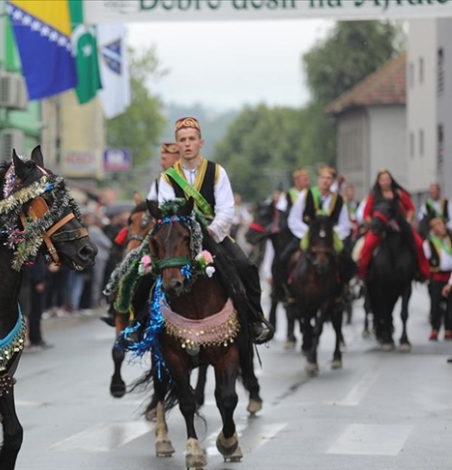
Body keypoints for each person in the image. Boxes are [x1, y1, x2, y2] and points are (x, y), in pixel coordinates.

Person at [146, 117, 273, 344]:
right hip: (179, 239)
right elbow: (167, 212)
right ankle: (142, 323)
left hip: (214, 234)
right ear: (177, 144)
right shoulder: (167, 178)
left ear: (200, 142)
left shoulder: (216, 172)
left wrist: (210, 233)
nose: (187, 144)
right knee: (146, 272)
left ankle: (255, 319)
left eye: (191, 139)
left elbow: (226, 209)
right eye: (182, 140)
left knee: (246, 267)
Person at [285, 165, 354, 293]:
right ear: (318, 179)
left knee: (347, 261)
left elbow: (344, 224)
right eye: (323, 177)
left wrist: (329, 235)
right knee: (285, 257)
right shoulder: (306, 195)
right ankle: (286, 290)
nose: (325, 181)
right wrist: (310, 233)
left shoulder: (338, 200)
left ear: (332, 181)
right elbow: (294, 219)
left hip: (330, 239)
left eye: (329, 178)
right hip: (307, 235)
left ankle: (343, 291)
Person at [357, 170, 430, 280]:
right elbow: (366, 214)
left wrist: (408, 220)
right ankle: (362, 272)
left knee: (419, 244)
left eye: (387, 179)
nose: (385, 182)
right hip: (380, 228)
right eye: (383, 180)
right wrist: (372, 223)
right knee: (367, 245)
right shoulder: (374, 196)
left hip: (400, 226)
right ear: (379, 182)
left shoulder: (399, 194)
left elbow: (411, 209)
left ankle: (423, 272)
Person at [424, 217, 452, 341]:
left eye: (442, 225)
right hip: (437, 276)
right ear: (434, 229)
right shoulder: (429, 242)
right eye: (439, 226)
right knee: (435, 304)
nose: (442, 228)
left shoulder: (449, 239)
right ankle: (435, 328)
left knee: (450, 305)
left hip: (450, 276)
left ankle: (448, 329)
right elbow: (426, 258)